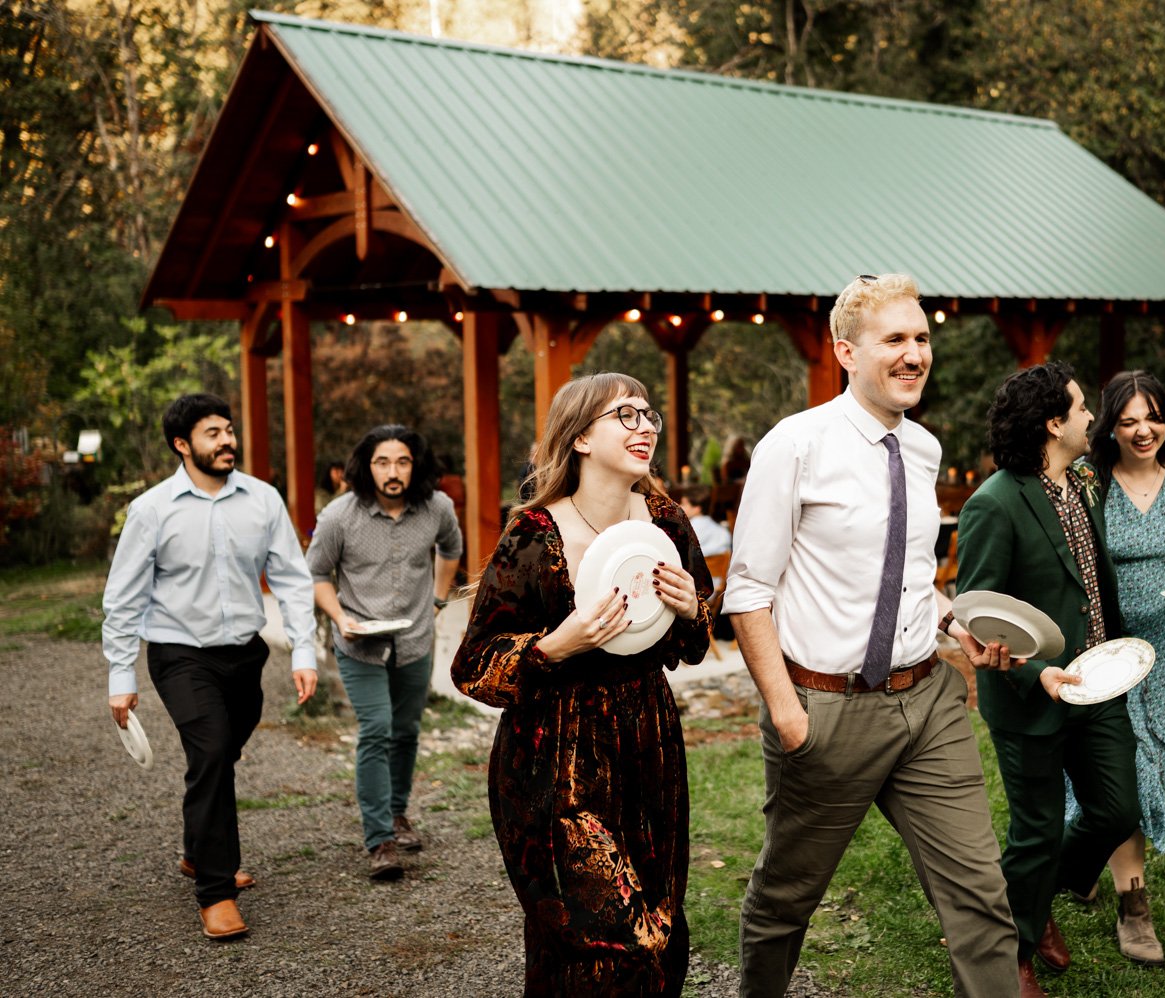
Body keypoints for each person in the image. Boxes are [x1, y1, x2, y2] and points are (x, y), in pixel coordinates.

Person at [724, 273, 1020, 998]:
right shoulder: (794, 446)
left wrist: (958, 623)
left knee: (982, 897)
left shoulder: (922, 449)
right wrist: (790, 715)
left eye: (922, 338)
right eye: (896, 338)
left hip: (929, 702)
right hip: (827, 713)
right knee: (786, 899)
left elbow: (910, 573)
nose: (916, 353)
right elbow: (748, 591)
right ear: (846, 352)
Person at [451, 373, 712, 996]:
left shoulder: (667, 521)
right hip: (556, 754)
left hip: (648, 742)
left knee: (659, 925)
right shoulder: (534, 534)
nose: (645, 425)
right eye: (625, 415)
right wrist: (556, 644)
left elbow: (697, 641)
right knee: (608, 937)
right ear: (582, 438)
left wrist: (688, 608)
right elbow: (473, 667)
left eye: (648, 414)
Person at [102, 393, 319, 941]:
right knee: (214, 750)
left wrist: (304, 650)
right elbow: (124, 597)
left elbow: (293, 579)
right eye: (212, 433)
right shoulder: (152, 510)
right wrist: (121, 677)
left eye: (228, 429)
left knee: (219, 757)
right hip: (179, 654)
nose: (227, 440)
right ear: (182, 445)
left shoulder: (263, 500)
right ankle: (216, 892)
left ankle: (198, 850)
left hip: (244, 654)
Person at [956, 362, 1141, 998]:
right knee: (1034, 832)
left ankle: (1029, 898)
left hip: (1099, 682)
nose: (1094, 416)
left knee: (1118, 810)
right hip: (1030, 694)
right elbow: (976, 617)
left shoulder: (1083, 479)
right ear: (1053, 423)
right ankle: (1014, 950)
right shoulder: (993, 504)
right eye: (1082, 408)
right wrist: (1037, 672)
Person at [1060, 369, 1165, 965]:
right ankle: (1135, 909)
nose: (1142, 430)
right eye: (1127, 420)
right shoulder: (1087, 479)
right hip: (1101, 648)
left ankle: (1083, 862)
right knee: (1125, 774)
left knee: (1156, 762)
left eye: (1151, 417)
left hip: (1162, 649)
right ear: (1109, 424)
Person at [305, 425, 462, 880]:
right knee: (377, 728)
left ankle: (397, 813)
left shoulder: (437, 508)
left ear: (416, 465)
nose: (393, 472)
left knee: (407, 730)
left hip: (414, 640)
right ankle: (379, 840)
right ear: (365, 466)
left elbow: (451, 548)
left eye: (402, 462)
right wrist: (339, 617)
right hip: (359, 644)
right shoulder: (339, 516)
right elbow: (316, 574)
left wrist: (437, 599)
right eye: (382, 462)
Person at [676, 485, 731, 559]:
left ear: (697, 508)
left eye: (684, 504)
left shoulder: (685, 532)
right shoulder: (723, 533)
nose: (680, 506)